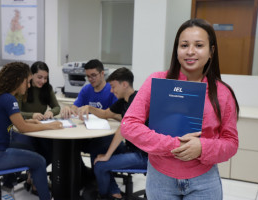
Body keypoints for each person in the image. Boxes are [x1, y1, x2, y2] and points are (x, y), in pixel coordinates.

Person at [121, 18, 239, 200]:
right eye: (184, 45)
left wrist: (202, 148)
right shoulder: (156, 82)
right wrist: (175, 145)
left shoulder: (222, 93)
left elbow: (231, 143)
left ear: (211, 51)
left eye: (199, 45)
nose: (190, 51)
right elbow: (129, 125)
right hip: (160, 179)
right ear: (177, 49)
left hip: (204, 182)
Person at [0, 62, 63, 200]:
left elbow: (16, 122)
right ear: (18, 81)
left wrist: (29, 121)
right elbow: (22, 128)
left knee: (30, 151)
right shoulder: (9, 99)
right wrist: (49, 126)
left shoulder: (1, 96)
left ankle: (27, 182)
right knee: (39, 161)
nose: (28, 86)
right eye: (27, 82)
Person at [77, 67, 148, 200]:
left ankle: (105, 196)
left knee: (100, 165)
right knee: (97, 146)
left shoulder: (137, 100)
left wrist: (107, 155)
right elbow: (105, 113)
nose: (111, 90)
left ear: (124, 84)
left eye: (113, 86)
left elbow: (122, 129)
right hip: (130, 149)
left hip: (143, 156)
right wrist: (89, 108)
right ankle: (113, 190)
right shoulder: (124, 101)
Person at [60, 59, 122, 184]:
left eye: (93, 75)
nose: (90, 79)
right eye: (88, 76)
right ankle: (83, 176)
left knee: (96, 147)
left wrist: (100, 112)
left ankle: (101, 183)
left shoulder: (112, 90)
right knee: (70, 145)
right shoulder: (86, 90)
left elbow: (121, 116)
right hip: (88, 132)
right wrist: (69, 109)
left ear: (102, 73)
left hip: (107, 135)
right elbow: (75, 107)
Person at [14, 61, 60, 194]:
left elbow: (56, 107)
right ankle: (35, 178)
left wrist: (51, 112)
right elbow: (16, 113)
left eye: (45, 78)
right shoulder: (23, 89)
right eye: (39, 77)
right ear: (31, 75)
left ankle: (33, 175)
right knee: (32, 151)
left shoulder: (47, 88)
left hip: (40, 129)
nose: (43, 81)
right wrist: (32, 115)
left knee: (53, 149)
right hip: (23, 130)